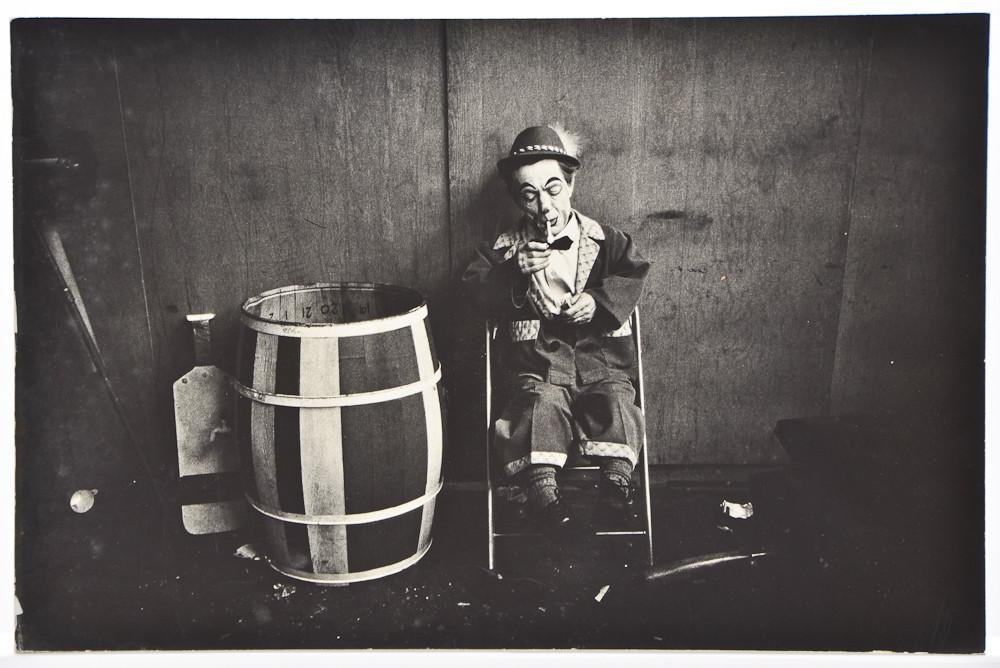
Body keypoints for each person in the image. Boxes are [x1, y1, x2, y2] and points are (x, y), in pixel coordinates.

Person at [462, 124, 650, 538]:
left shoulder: (605, 240)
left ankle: (616, 491)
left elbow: (633, 273)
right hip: (537, 363)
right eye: (529, 196)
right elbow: (474, 288)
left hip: (598, 360)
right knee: (535, 405)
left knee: (617, 402)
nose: (544, 206)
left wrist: (598, 303)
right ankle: (545, 501)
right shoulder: (506, 247)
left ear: (570, 184)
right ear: (517, 198)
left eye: (552, 190)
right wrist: (513, 272)